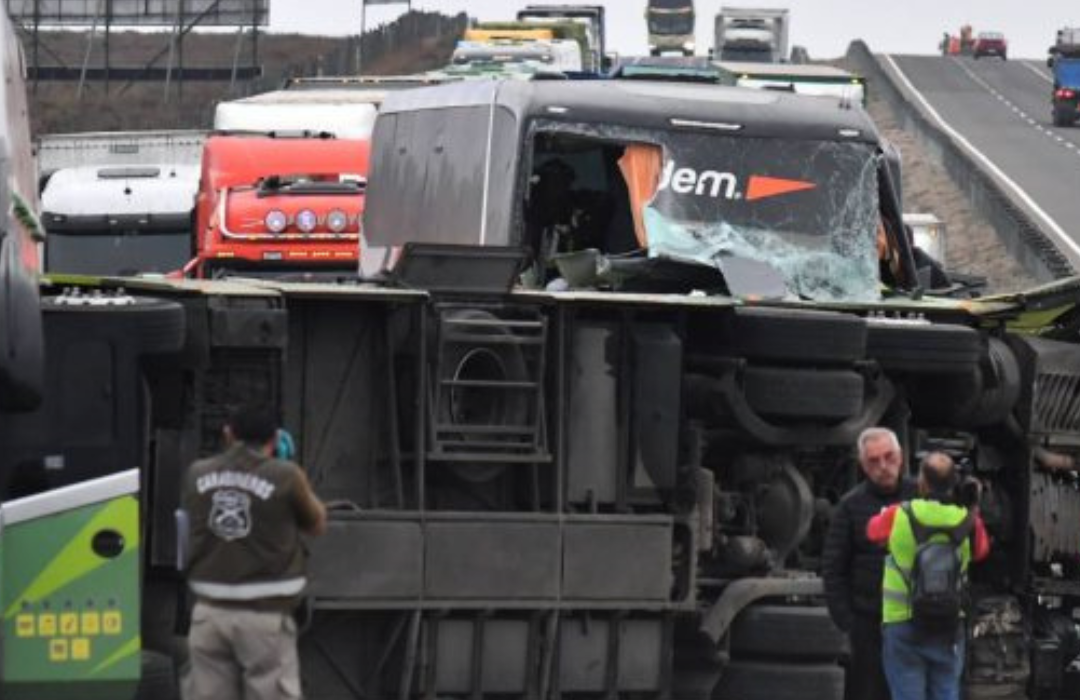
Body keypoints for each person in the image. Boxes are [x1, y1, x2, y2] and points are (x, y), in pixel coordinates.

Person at [181, 403, 327, 700]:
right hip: (264, 618)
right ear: (274, 440)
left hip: (208, 614)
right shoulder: (286, 476)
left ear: (227, 434)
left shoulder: (197, 475)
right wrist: (285, 466)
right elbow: (316, 524)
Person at [866, 452, 990, 700]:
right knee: (946, 692)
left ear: (922, 482)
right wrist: (973, 508)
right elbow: (981, 552)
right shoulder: (969, 522)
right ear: (954, 483)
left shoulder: (899, 514)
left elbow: (872, 532)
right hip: (948, 624)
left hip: (903, 623)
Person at [823, 427, 917, 700]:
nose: (883, 467)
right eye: (874, 461)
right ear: (863, 466)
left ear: (901, 457)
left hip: (916, 621)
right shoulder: (850, 507)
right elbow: (833, 569)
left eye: (889, 457)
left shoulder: (922, 497)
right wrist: (848, 623)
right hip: (868, 625)